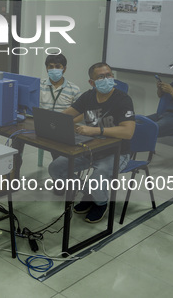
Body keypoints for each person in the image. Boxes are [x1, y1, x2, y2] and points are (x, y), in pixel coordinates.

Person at [48, 62, 135, 223]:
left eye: (109, 75)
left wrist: (96, 130)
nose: (107, 78)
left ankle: (101, 203)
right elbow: (66, 115)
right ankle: (91, 192)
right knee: (56, 169)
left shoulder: (123, 99)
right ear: (92, 82)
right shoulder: (88, 96)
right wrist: (51, 122)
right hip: (91, 148)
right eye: (101, 76)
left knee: (97, 179)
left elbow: (128, 132)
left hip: (117, 151)